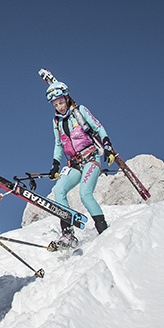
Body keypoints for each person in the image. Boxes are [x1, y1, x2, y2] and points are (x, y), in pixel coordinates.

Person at [45, 81, 114, 247]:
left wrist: (107, 146)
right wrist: (55, 164)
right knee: (59, 190)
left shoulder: (80, 111)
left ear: (67, 98)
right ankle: (67, 234)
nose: (59, 107)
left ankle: (103, 229)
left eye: (61, 102)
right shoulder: (56, 122)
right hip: (74, 163)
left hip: (91, 158)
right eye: (55, 104)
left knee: (85, 193)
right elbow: (58, 144)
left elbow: (98, 128)